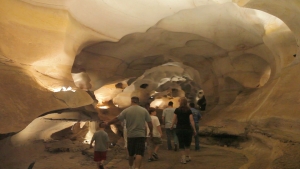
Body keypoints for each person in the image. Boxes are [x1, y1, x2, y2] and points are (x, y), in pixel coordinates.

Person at [105, 97, 153, 169]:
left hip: (130, 135)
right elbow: (149, 123)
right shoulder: (144, 111)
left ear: (131, 101)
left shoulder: (126, 111)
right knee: (139, 153)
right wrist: (151, 131)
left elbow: (116, 119)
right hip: (141, 135)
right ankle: (137, 168)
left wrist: (108, 123)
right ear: (138, 101)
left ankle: (130, 167)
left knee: (131, 153)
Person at [171, 97, 196, 164]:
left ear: (180, 102)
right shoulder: (189, 110)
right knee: (187, 144)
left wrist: (172, 125)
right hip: (187, 129)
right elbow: (191, 120)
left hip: (179, 129)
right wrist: (194, 129)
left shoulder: (177, 110)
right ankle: (188, 157)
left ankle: (183, 158)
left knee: (181, 143)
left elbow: (174, 119)